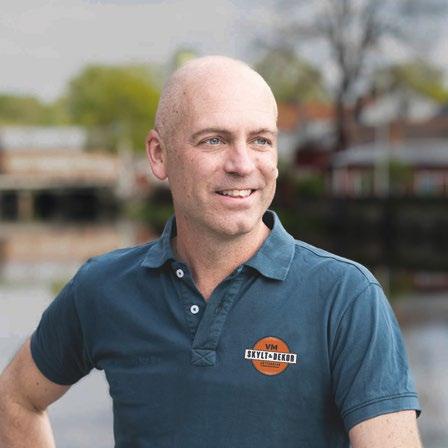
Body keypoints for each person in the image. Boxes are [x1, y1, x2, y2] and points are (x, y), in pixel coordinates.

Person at [0, 56, 422, 447]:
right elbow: (15, 400)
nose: (242, 164)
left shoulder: (346, 297)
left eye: (260, 141)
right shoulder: (103, 288)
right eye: (214, 140)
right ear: (159, 155)